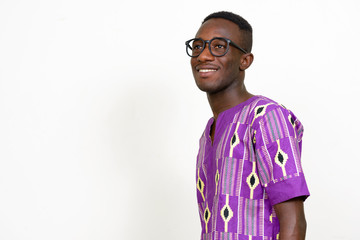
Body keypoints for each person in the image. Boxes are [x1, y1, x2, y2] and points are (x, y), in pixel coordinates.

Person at [185, 11, 310, 240]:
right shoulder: (208, 133)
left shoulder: (266, 117)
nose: (203, 55)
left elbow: (293, 223)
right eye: (198, 46)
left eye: (219, 46)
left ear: (245, 60)